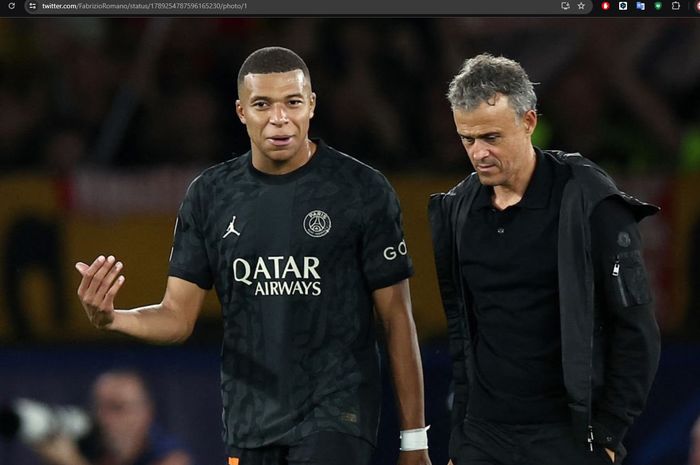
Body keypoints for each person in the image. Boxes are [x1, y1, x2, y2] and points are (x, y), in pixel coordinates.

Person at [75, 46, 431, 465]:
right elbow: (177, 316)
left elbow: (396, 318)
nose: (279, 119)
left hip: (338, 416)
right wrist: (114, 318)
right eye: (263, 104)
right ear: (241, 111)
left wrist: (414, 441)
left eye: (293, 103)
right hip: (249, 423)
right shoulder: (210, 195)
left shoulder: (361, 190)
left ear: (312, 106)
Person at [428, 53, 660, 465]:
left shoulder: (591, 202)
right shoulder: (457, 210)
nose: (479, 153)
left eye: (492, 138)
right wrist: (461, 438)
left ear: (529, 122)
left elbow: (636, 329)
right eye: (468, 139)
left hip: (566, 437)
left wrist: (608, 435)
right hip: (483, 437)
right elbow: (466, 337)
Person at [32, 370, 192, 465]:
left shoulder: (172, 458)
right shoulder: (88, 446)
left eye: (117, 408)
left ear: (145, 414)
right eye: (98, 407)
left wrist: (72, 462)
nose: (104, 418)